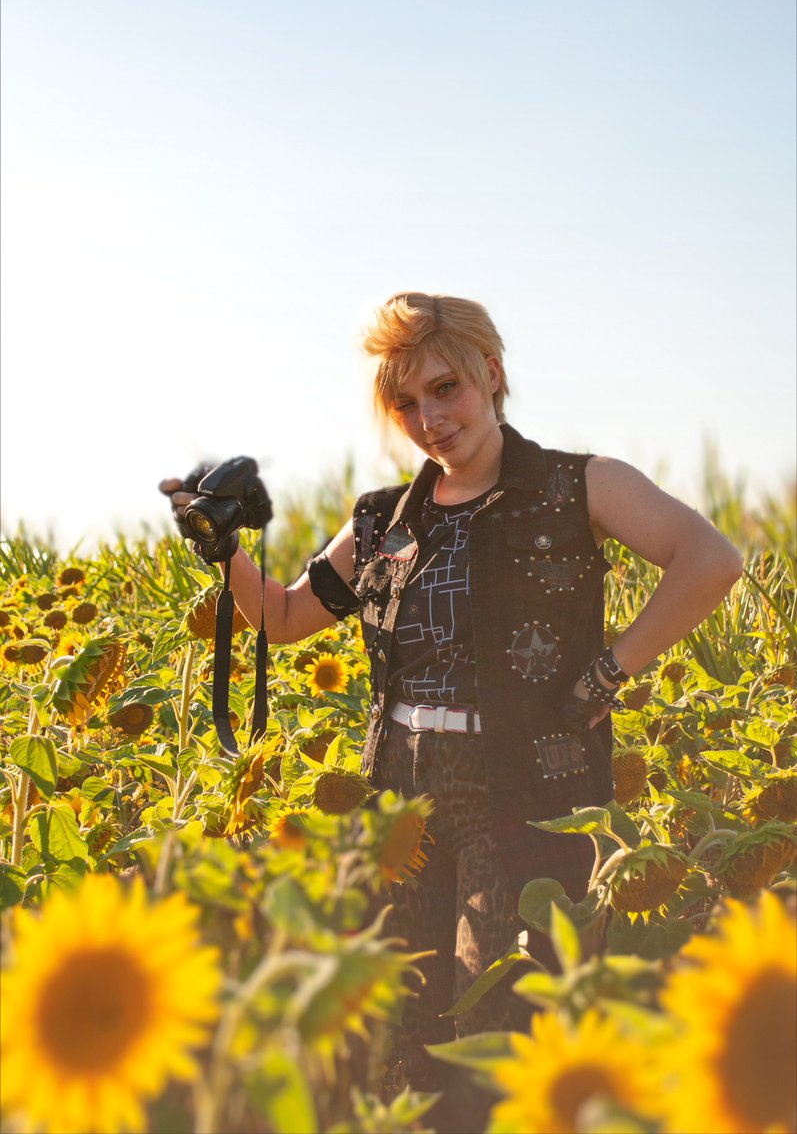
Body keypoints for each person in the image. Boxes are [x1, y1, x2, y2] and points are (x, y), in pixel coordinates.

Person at [161, 292, 743, 1132]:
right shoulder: (383, 521)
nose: (429, 419)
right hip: (402, 794)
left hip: (525, 793)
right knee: (409, 1019)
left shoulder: (577, 486)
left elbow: (710, 559)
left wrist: (611, 671)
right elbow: (285, 619)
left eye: (445, 390)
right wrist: (224, 548)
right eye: (405, 403)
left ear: (491, 376)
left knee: (500, 1022)